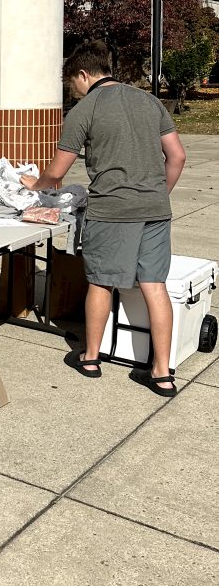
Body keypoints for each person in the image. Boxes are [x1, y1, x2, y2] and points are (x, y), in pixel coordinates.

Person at [23, 40, 186, 396]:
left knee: (101, 282)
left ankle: (91, 357)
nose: (74, 92)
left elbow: (58, 170)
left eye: (72, 85)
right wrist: (158, 195)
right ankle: (162, 374)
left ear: (83, 74)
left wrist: (35, 183)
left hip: (112, 211)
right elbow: (177, 156)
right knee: (154, 286)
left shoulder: (85, 109)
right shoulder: (149, 100)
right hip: (155, 210)